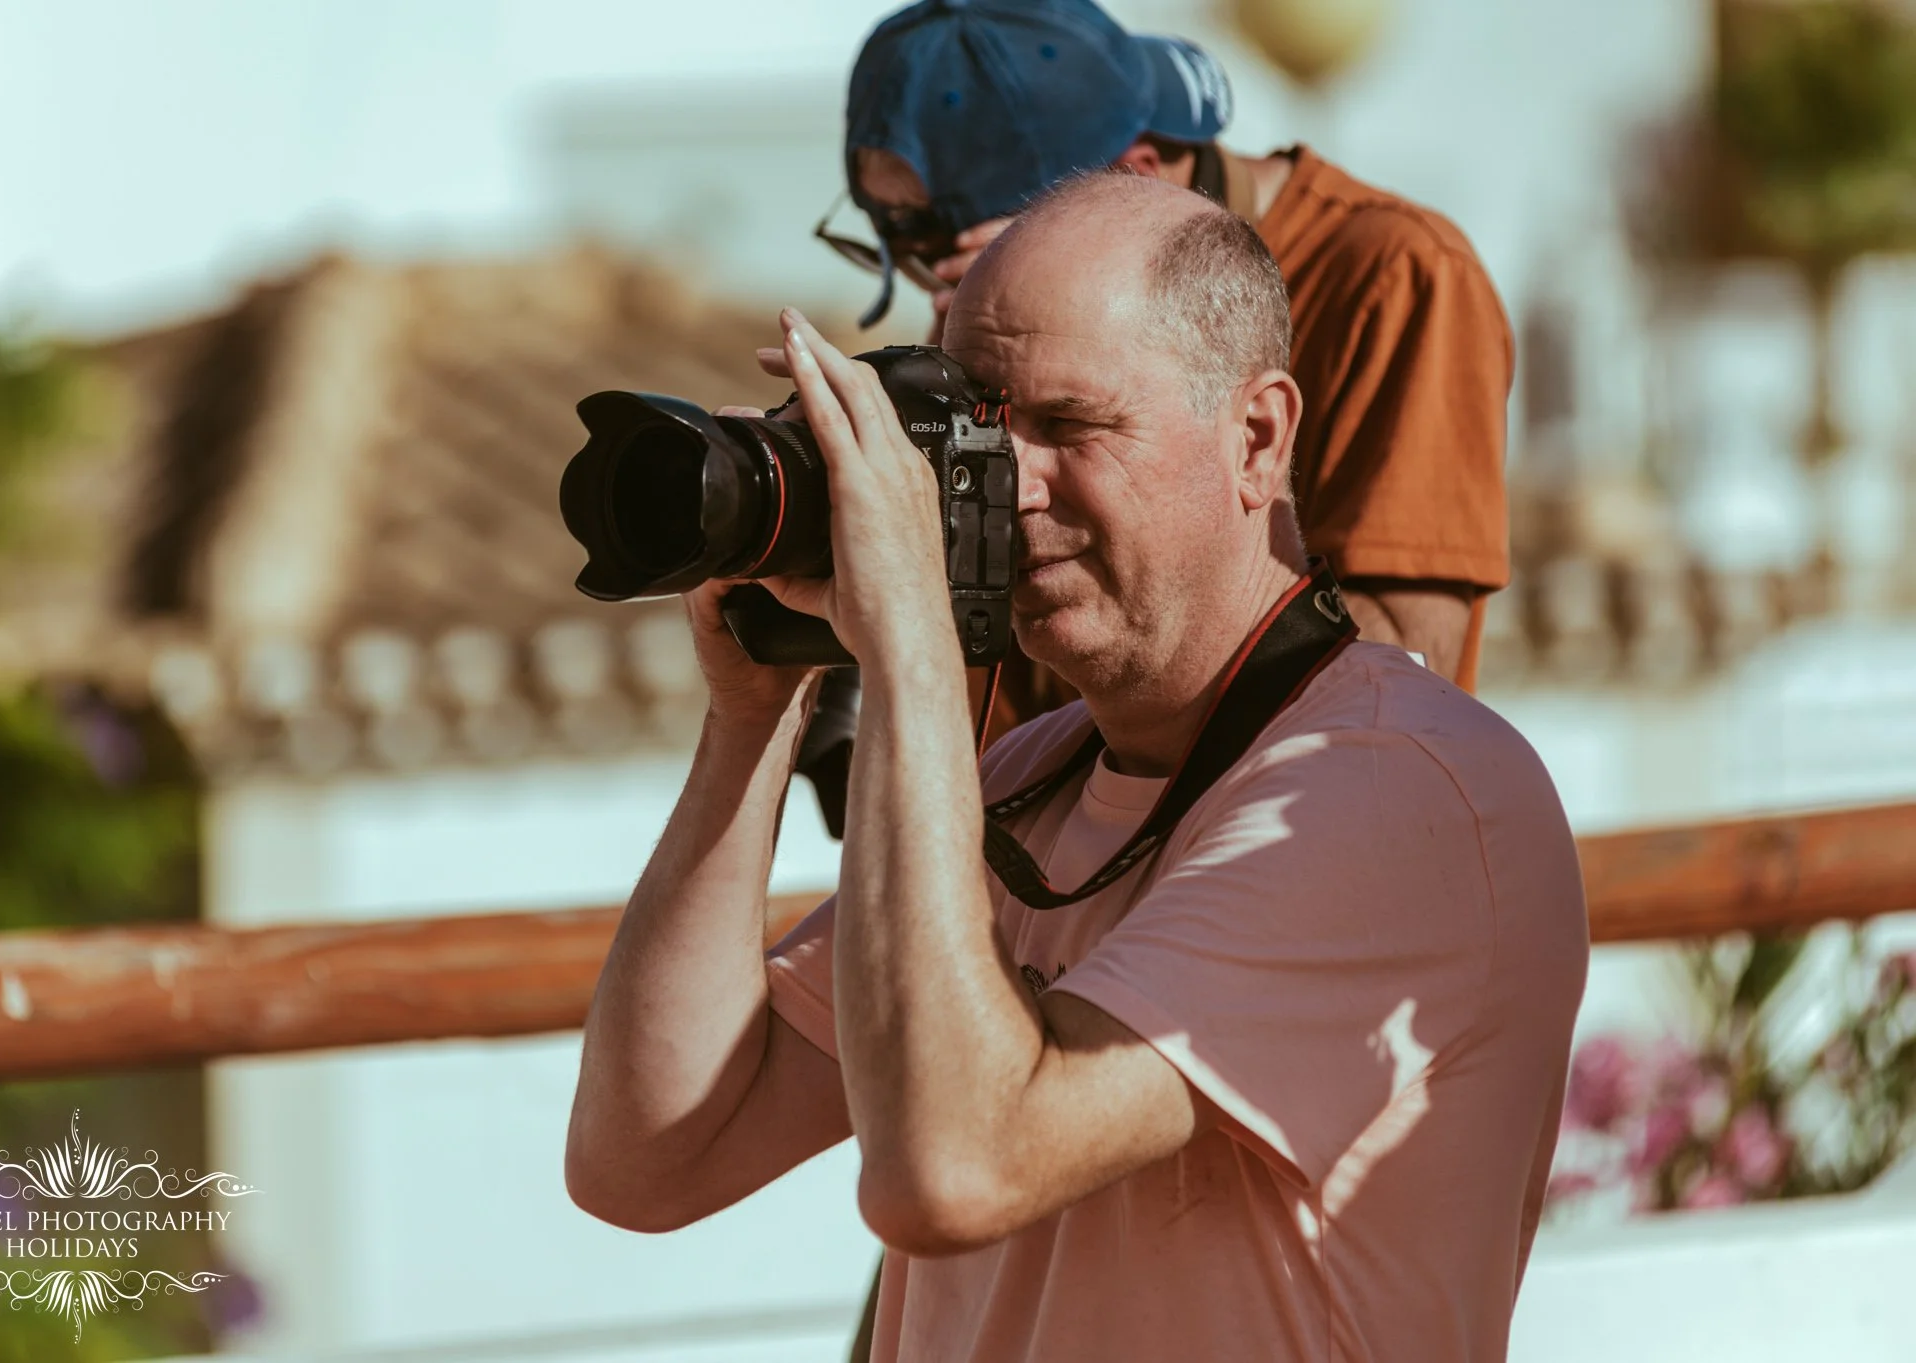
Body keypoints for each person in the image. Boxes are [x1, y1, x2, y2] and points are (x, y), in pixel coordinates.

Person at [565, 172, 1588, 1362]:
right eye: (982, 428)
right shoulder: (1034, 778)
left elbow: (954, 1169)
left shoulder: (1391, 792)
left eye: (1070, 424)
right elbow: (646, 1154)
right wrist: (750, 717)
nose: (1014, 484)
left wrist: (902, 637)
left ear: (1255, 437)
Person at [823, 0, 1512, 690]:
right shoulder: (989, 320)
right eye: (916, 263)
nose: (946, 297)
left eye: (983, 257)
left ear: (1138, 175)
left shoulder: (1393, 275)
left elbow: (1399, 676)